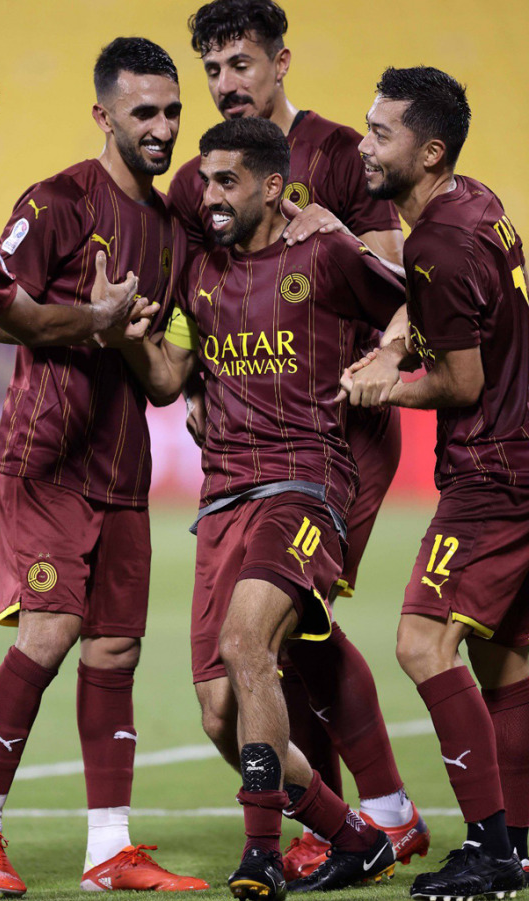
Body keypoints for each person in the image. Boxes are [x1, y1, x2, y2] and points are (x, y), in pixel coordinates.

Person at [166, 0, 428, 880]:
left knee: (268, 638)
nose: (225, 84)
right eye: (211, 69)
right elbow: (200, 296)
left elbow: (400, 279)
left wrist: (381, 353)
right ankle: (368, 819)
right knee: (274, 650)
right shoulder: (202, 177)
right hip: (240, 447)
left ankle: (321, 831)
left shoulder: (340, 159)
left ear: (281, 61)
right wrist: (205, 379)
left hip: (335, 432)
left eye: (239, 63)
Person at [0, 37, 207, 896]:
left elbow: (163, 373)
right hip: (45, 457)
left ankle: (108, 850)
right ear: (104, 115)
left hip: (122, 466)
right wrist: (87, 317)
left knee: (116, 651)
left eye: (172, 111)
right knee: (50, 633)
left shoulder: (173, 233)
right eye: (145, 113)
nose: (163, 128)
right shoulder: (55, 203)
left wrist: (127, 337)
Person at [119, 117, 406, 897]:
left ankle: (261, 856)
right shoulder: (197, 270)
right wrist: (119, 330)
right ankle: (353, 834)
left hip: (306, 481)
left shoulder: (327, 251)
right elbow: (168, 375)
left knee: (250, 645)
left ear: (273, 188)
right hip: (221, 497)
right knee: (219, 712)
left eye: (226, 182)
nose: (207, 195)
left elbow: (423, 303)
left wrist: (385, 358)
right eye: (204, 180)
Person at [341, 65, 529, 901]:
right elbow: (437, 303)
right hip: (525, 459)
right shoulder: (474, 203)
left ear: (431, 150)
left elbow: (461, 382)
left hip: (492, 472)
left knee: (422, 642)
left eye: (382, 134)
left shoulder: (439, 243)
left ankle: (487, 851)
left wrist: (387, 383)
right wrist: (394, 338)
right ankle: (519, 843)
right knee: (506, 661)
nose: (364, 143)